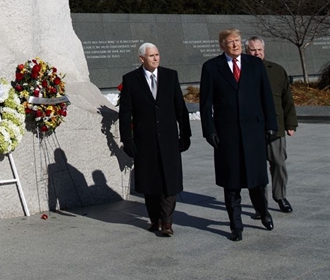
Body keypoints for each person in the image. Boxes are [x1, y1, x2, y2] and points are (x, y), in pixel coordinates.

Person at [200, 29, 278, 241]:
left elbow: (266, 97)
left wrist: (271, 124)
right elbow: (205, 104)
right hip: (227, 135)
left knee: (256, 181)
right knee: (231, 183)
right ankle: (236, 226)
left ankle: (263, 212)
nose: (235, 45)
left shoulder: (254, 64)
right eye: (229, 42)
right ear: (221, 45)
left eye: (237, 41)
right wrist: (209, 131)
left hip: (254, 132)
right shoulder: (211, 68)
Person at [119, 43, 191, 236]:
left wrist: (185, 134)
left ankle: (167, 222)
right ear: (141, 58)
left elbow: (180, 109)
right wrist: (128, 140)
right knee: (150, 182)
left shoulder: (170, 76)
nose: (156, 58)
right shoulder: (131, 80)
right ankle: (154, 220)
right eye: (151, 56)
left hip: (168, 140)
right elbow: (126, 113)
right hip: (145, 141)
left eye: (157, 54)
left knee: (170, 181)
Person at [245, 36, 298, 215]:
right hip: (253, 129)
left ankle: (280, 196)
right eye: (253, 50)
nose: (257, 53)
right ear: (247, 51)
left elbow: (287, 100)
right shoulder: (241, 71)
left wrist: (290, 123)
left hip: (276, 126)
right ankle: (261, 205)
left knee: (279, 163)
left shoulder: (276, 70)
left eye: (259, 50)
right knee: (257, 168)